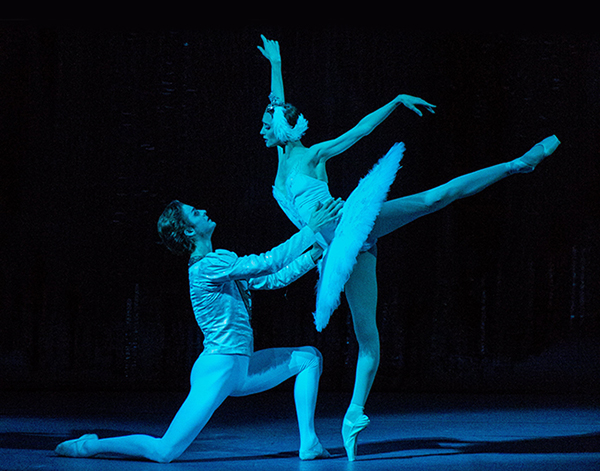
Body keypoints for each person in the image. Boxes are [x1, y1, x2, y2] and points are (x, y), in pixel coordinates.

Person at [258, 35, 561, 461]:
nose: (262, 128)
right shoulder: (279, 168)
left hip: (351, 224)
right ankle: (353, 415)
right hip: (343, 252)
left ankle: (517, 164)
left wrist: (397, 99)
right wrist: (276, 64)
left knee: (434, 198)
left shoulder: (313, 155)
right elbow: (276, 103)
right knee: (370, 342)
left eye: (267, 123)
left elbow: (360, 130)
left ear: (284, 128)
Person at [55, 197, 343, 463]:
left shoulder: (223, 263)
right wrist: (310, 230)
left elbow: (273, 279)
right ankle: (89, 446)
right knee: (165, 451)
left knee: (309, 358)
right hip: (218, 367)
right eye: (195, 213)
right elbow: (268, 262)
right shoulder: (206, 267)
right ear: (190, 232)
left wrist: (315, 253)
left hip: (240, 368)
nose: (204, 211)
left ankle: (310, 443)